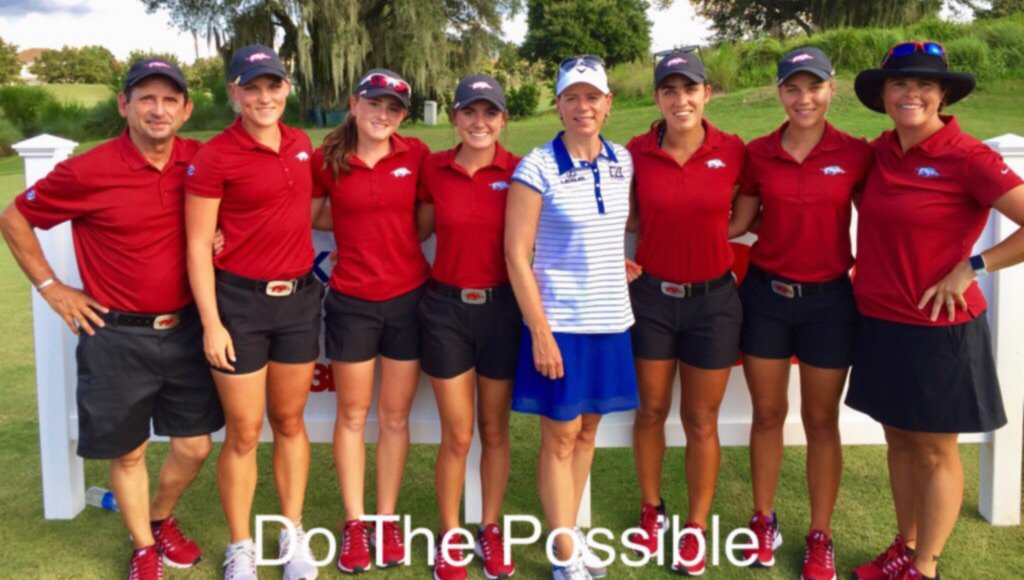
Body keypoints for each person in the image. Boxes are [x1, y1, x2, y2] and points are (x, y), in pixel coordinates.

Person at [0, 60, 221, 580]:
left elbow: (234, 210)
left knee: (194, 446)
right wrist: (52, 287)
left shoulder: (202, 159)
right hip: (115, 333)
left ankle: (159, 517)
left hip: (187, 327)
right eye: (146, 98)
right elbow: (15, 218)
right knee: (128, 453)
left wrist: (224, 235)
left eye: (170, 100)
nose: (158, 109)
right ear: (124, 105)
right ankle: (145, 546)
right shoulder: (88, 171)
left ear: (186, 110)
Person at [846, 41, 1024, 580]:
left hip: (938, 328)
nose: (911, 94)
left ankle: (925, 566)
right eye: (900, 84)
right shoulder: (878, 152)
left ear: (942, 94)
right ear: (883, 94)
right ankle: (906, 544)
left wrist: (973, 265)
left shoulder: (969, 157)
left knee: (934, 450)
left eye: (925, 85)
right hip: (878, 321)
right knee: (897, 438)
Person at [729, 47, 873, 580]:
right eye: (793, 87)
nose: (803, 98)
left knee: (820, 421)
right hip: (765, 297)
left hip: (831, 303)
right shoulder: (758, 152)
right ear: (779, 92)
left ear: (831, 89)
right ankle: (763, 520)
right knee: (767, 416)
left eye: (814, 87)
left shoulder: (857, 153)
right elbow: (738, 221)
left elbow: (885, 217)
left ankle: (820, 536)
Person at [185, 44, 323, 580]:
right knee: (244, 431)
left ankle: (292, 536)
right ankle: (241, 545)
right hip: (238, 304)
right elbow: (199, 244)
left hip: (301, 301)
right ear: (234, 94)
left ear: (287, 88)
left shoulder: (301, 143)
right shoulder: (215, 155)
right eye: (251, 87)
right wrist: (212, 321)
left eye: (273, 85)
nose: (263, 97)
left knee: (290, 422)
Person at [506, 55, 638, 580]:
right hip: (559, 324)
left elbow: (606, 231)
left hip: (611, 322)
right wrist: (540, 331)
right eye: (571, 98)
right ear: (558, 105)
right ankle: (564, 554)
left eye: (592, 97)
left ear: (608, 103)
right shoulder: (536, 166)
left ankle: (572, 535)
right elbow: (517, 255)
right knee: (559, 438)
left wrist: (613, 261)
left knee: (587, 434)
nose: (583, 107)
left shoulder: (623, 161)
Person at [624, 51, 745, 576]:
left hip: (714, 303)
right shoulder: (634, 151)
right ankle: (653, 512)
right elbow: (615, 211)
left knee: (700, 419)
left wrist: (721, 234)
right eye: (669, 91)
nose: (681, 100)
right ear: (657, 98)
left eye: (689, 89)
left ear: (707, 94)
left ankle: (695, 527)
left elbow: (749, 211)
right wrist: (615, 251)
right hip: (651, 298)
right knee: (649, 411)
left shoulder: (734, 150)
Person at [311, 68, 430, 574]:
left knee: (396, 417)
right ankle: (355, 523)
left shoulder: (416, 155)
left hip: (407, 299)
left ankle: (385, 519)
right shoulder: (329, 160)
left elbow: (424, 221)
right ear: (354, 104)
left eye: (394, 108)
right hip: (352, 302)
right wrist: (355, 233)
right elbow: (313, 214)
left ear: (402, 116)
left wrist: (388, 237)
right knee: (354, 416)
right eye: (374, 104)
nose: (383, 115)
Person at [416, 74, 520, 580]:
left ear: (503, 120)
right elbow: (405, 224)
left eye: (490, 113)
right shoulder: (432, 168)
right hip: (446, 312)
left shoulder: (521, 171)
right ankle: (451, 534)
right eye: (470, 113)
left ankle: (491, 528)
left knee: (494, 430)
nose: (480, 122)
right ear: (454, 119)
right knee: (457, 435)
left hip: (503, 312)